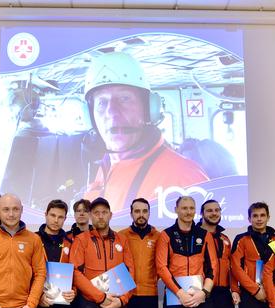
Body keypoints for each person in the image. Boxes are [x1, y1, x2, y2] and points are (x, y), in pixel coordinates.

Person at [83, 52, 208, 211]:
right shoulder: (108, 164)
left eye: (124, 99)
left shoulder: (184, 176)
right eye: (102, 102)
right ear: (90, 116)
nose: (111, 112)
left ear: (149, 109)